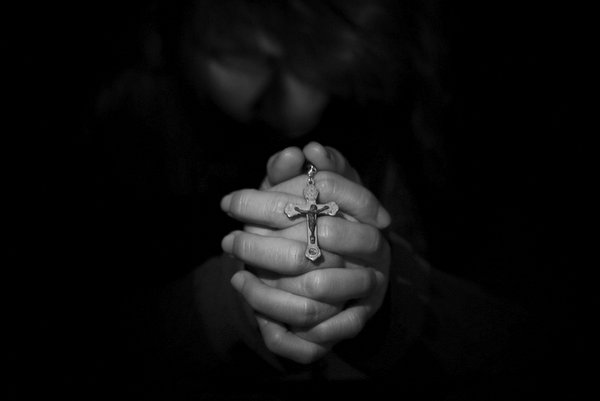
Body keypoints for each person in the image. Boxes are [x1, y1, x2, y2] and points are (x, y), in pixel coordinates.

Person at [20, 0, 544, 399]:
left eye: (274, 86)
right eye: (256, 115)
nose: (286, 122)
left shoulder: (445, 88)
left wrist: (397, 294)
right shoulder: (170, 152)